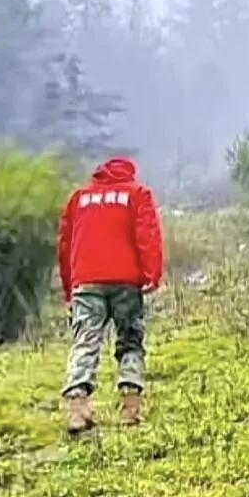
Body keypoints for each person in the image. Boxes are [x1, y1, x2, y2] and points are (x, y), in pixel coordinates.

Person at [57, 157, 164, 434]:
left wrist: (70, 287)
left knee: (85, 341)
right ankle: (131, 407)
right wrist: (152, 274)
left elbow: (66, 244)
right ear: (129, 173)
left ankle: (78, 411)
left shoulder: (79, 198)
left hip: (86, 279)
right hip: (126, 281)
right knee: (130, 340)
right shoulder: (137, 194)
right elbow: (147, 235)